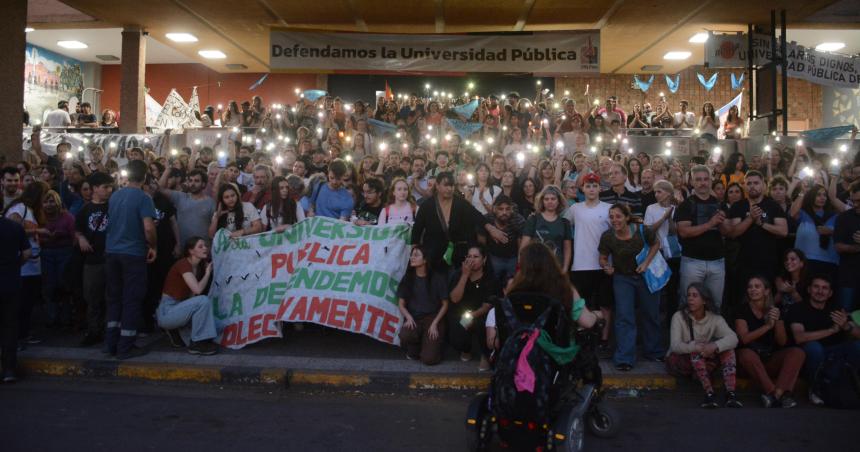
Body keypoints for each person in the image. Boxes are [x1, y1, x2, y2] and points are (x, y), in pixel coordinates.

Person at [599, 203, 664, 371]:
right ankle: (624, 358)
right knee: (624, 316)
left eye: (618, 216)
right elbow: (603, 257)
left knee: (651, 313)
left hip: (645, 276)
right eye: (612, 217)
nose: (615, 220)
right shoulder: (608, 236)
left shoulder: (642, 230)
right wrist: (606, 266)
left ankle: (654, 351)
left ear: (627, 217)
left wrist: (646, 262)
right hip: (622, 277)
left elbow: (656, 244)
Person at [104, 160, 157, 360]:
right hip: (133, 254)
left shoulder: (115, 195)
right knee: (132, 299)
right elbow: (149, 228)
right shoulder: (144, 198)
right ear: (144, 177)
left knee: (114, 299)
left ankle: (111, 344)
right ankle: (126, 345)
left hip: (112, 252)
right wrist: (153, 246)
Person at [411, 172, 507, 272]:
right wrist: (414, 252)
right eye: (446, 185)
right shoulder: (427, 205)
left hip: (457, 254)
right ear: (437, 186)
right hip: (433, 253)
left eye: (452, 185)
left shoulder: (460, 203)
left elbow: (476, 215)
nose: (449, 189)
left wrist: (492, 229)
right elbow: (417, 230)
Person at [787, 274, 860, 405]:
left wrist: (846, 326)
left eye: (825, 288)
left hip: (833, 354)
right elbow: (799, 337)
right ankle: (815, 389)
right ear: (809, 289)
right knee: (814, 347)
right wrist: (831, 331)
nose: (820, 291)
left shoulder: (836, 309)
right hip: (808, 355)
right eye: (816, 287)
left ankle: (847, 386)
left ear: (830, 293)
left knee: (856, 346)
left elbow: (856, 334)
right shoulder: (798, 308)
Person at [667, 283, 741, 408]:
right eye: (689, 295)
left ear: (704, 300)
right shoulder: (679, 316)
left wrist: (714, 346)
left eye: (695, 295)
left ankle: (731, 393)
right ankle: (709, 394)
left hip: (704, 361)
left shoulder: (715, 319)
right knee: (697, 351)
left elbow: (733, 338)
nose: (690, 299)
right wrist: (696, 347)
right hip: (681, 361)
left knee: (728, 350)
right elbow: (675, 346)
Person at [735, 276, 805, 408]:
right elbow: (744, 339)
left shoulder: (775, 310)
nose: (753, 289)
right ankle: (772, 392)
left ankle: (778, 394)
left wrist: (777, 322)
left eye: (757, 286)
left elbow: (782, 342)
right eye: (750, 287)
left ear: (766, 291)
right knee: (745, 353)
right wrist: (767, 326)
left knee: (797, 352)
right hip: (748, 364)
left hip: (769, 359)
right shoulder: (742, 310)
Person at [564, 173, 612, 352]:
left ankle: (604, 339)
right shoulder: (575, 208)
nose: (591, 189)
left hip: (602, 265)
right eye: (588, 186)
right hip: (580, 265)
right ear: (582, 189)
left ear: (600, 188)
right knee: (580, 305)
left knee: (605, 304)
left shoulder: (609, 208)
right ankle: (581, 337)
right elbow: (562, 224)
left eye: (594, 186)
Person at [726, 171, 788, 298]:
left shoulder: (773, 205)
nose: (752, 186)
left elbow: (783, 231)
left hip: (768, 262)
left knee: (767, 301)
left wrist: (762, 224)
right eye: (749, 183)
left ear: (763, 185)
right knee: (743, 301)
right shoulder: (738, 206)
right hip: (743, 263)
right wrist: (750, 219)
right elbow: (733, 233)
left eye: (756, 183)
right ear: (744, 186)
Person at [674, 165, 728, 309]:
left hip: (717, 261)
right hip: (692, 261)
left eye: (706, 179)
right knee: (688, 304)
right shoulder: (686, 205)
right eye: (698, 180)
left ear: (710, 181)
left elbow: (727, 232)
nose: (703, 183)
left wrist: (721, 223)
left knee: (715, 304)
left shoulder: (719, 204)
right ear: (692, 182)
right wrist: (710, 223)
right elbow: (684, 232)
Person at [157, 237, 219, 355]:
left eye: (205, 246)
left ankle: (179, 332)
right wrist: (207, 273)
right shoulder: (184, 264)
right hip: (168, 310)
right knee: (203, 300)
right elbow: (198, 290)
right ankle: (197, 344)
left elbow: (192, 296)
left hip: (179, 308)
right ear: (191, 251)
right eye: (200, 246)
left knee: (204, 308)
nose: (205, 248)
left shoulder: (196, 267)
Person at [3, 181, 48, 347]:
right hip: (24, 266)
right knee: (23, 302)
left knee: (28, 301)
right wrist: (37, 231)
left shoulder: (29, 211)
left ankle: (23, 333)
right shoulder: (19, 209)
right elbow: (13, 231)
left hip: (32, 263)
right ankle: (20, 335)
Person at [75, 172, 113, 346]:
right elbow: (77, 229)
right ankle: (94, 330)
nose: (109, 190)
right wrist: (81, 238)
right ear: (95, 189)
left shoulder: (113, 206)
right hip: (92, 261)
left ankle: (109, 331)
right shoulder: (85, 209)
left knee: (110, 297)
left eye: (110, 187)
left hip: (110, 258)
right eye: (105, 187)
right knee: (92, 298)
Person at [448, 245, 500, 371]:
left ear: (484, 260)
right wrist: (465, 276)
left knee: (483, 325)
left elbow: (488, 305)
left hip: (481, 314)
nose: (472, 260)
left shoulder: (490, 277)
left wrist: (472, 316)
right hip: (461, 313)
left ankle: (485, 354)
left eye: (476, 257)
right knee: (457, 335)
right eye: (469, 256)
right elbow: (454, 299)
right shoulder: (458, 274)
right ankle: (466, 350)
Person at [397, 246, 449, 365]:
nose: (412, 257)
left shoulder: (437, 278)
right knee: (405, 335)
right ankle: (416, 346)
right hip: (415, 317)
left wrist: (435, 324)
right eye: (412, 255)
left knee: (429, 359)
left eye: (416, 255)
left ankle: (432, 345)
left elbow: (445, 305)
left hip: (433, 318)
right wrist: (408, 317)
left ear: (425, 260)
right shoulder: (408, 278)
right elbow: (401, 304)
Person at [789, 183, 846, 278]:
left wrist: (831, 232)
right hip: (805, 261)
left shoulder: (834, 216)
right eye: (818, 195)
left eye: (824, 195)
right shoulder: (803, 214)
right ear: (811, 196)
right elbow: (792, 213)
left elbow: (845, 234)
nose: (822, 198)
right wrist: (803, 192)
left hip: (829, 262)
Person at [38, 190, 76, 328]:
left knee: (64, 285)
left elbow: (74, 237)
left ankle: (66, 316)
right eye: (46, 202)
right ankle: (51, 316)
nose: (49, 205)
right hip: (46, 252)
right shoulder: (39, 218)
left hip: (64, 253)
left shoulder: (67, 217)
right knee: (49, 286)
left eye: (52, 201)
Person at [0, 215, 30, 382]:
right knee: (10, 326)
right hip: (11, 282)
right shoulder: (14, 227)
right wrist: (15, 265)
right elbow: (27, 252)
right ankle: (9, 369)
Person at [158, 168, 215, 247]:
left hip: (202, 248)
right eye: (190, 180)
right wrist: (168, 170)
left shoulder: (211, 202)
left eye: (196, 181)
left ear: (204, 184)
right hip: (182, 247)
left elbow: (214, 226)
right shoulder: (180, 197)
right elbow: (161, 189)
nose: (192, 184)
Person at [521, 185, 571, 270]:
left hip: (557, 268)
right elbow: (524, 246)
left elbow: (567, 249)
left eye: (553, 199)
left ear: (559, 201)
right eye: (546, 199)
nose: (550, 202)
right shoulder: (533, 219)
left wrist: (565, 269)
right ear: (542, 201)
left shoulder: (565, 222)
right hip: (535, 268)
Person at [482, 195, 524, 286]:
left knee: (513, 285)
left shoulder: (518, 220)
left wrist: (519, 260)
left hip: (513, 258)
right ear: (494, 209)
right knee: (492, 284)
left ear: (511, 209)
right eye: (501, 209)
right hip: (493, 257)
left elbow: (521, 241)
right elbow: (481, 240)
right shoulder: (487, 219)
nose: (504, 212)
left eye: (507, 209)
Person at [834, 181, 860, 311]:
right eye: (853, 201)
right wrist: (857, 248)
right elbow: (838, 246)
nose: (855, 205)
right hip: (848, 276)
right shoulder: (844, 218)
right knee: (845, 313)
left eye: (859, 201)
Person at [774, 249, 808, 314]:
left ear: (801, 263)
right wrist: (780, 292)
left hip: (799, 316)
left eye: (792, 259)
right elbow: (773, 303)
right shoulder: (780, 279)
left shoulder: (808, 281)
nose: (788, 262)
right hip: (780, 315)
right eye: (786, 259)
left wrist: (793, 292)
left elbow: (805, 307)